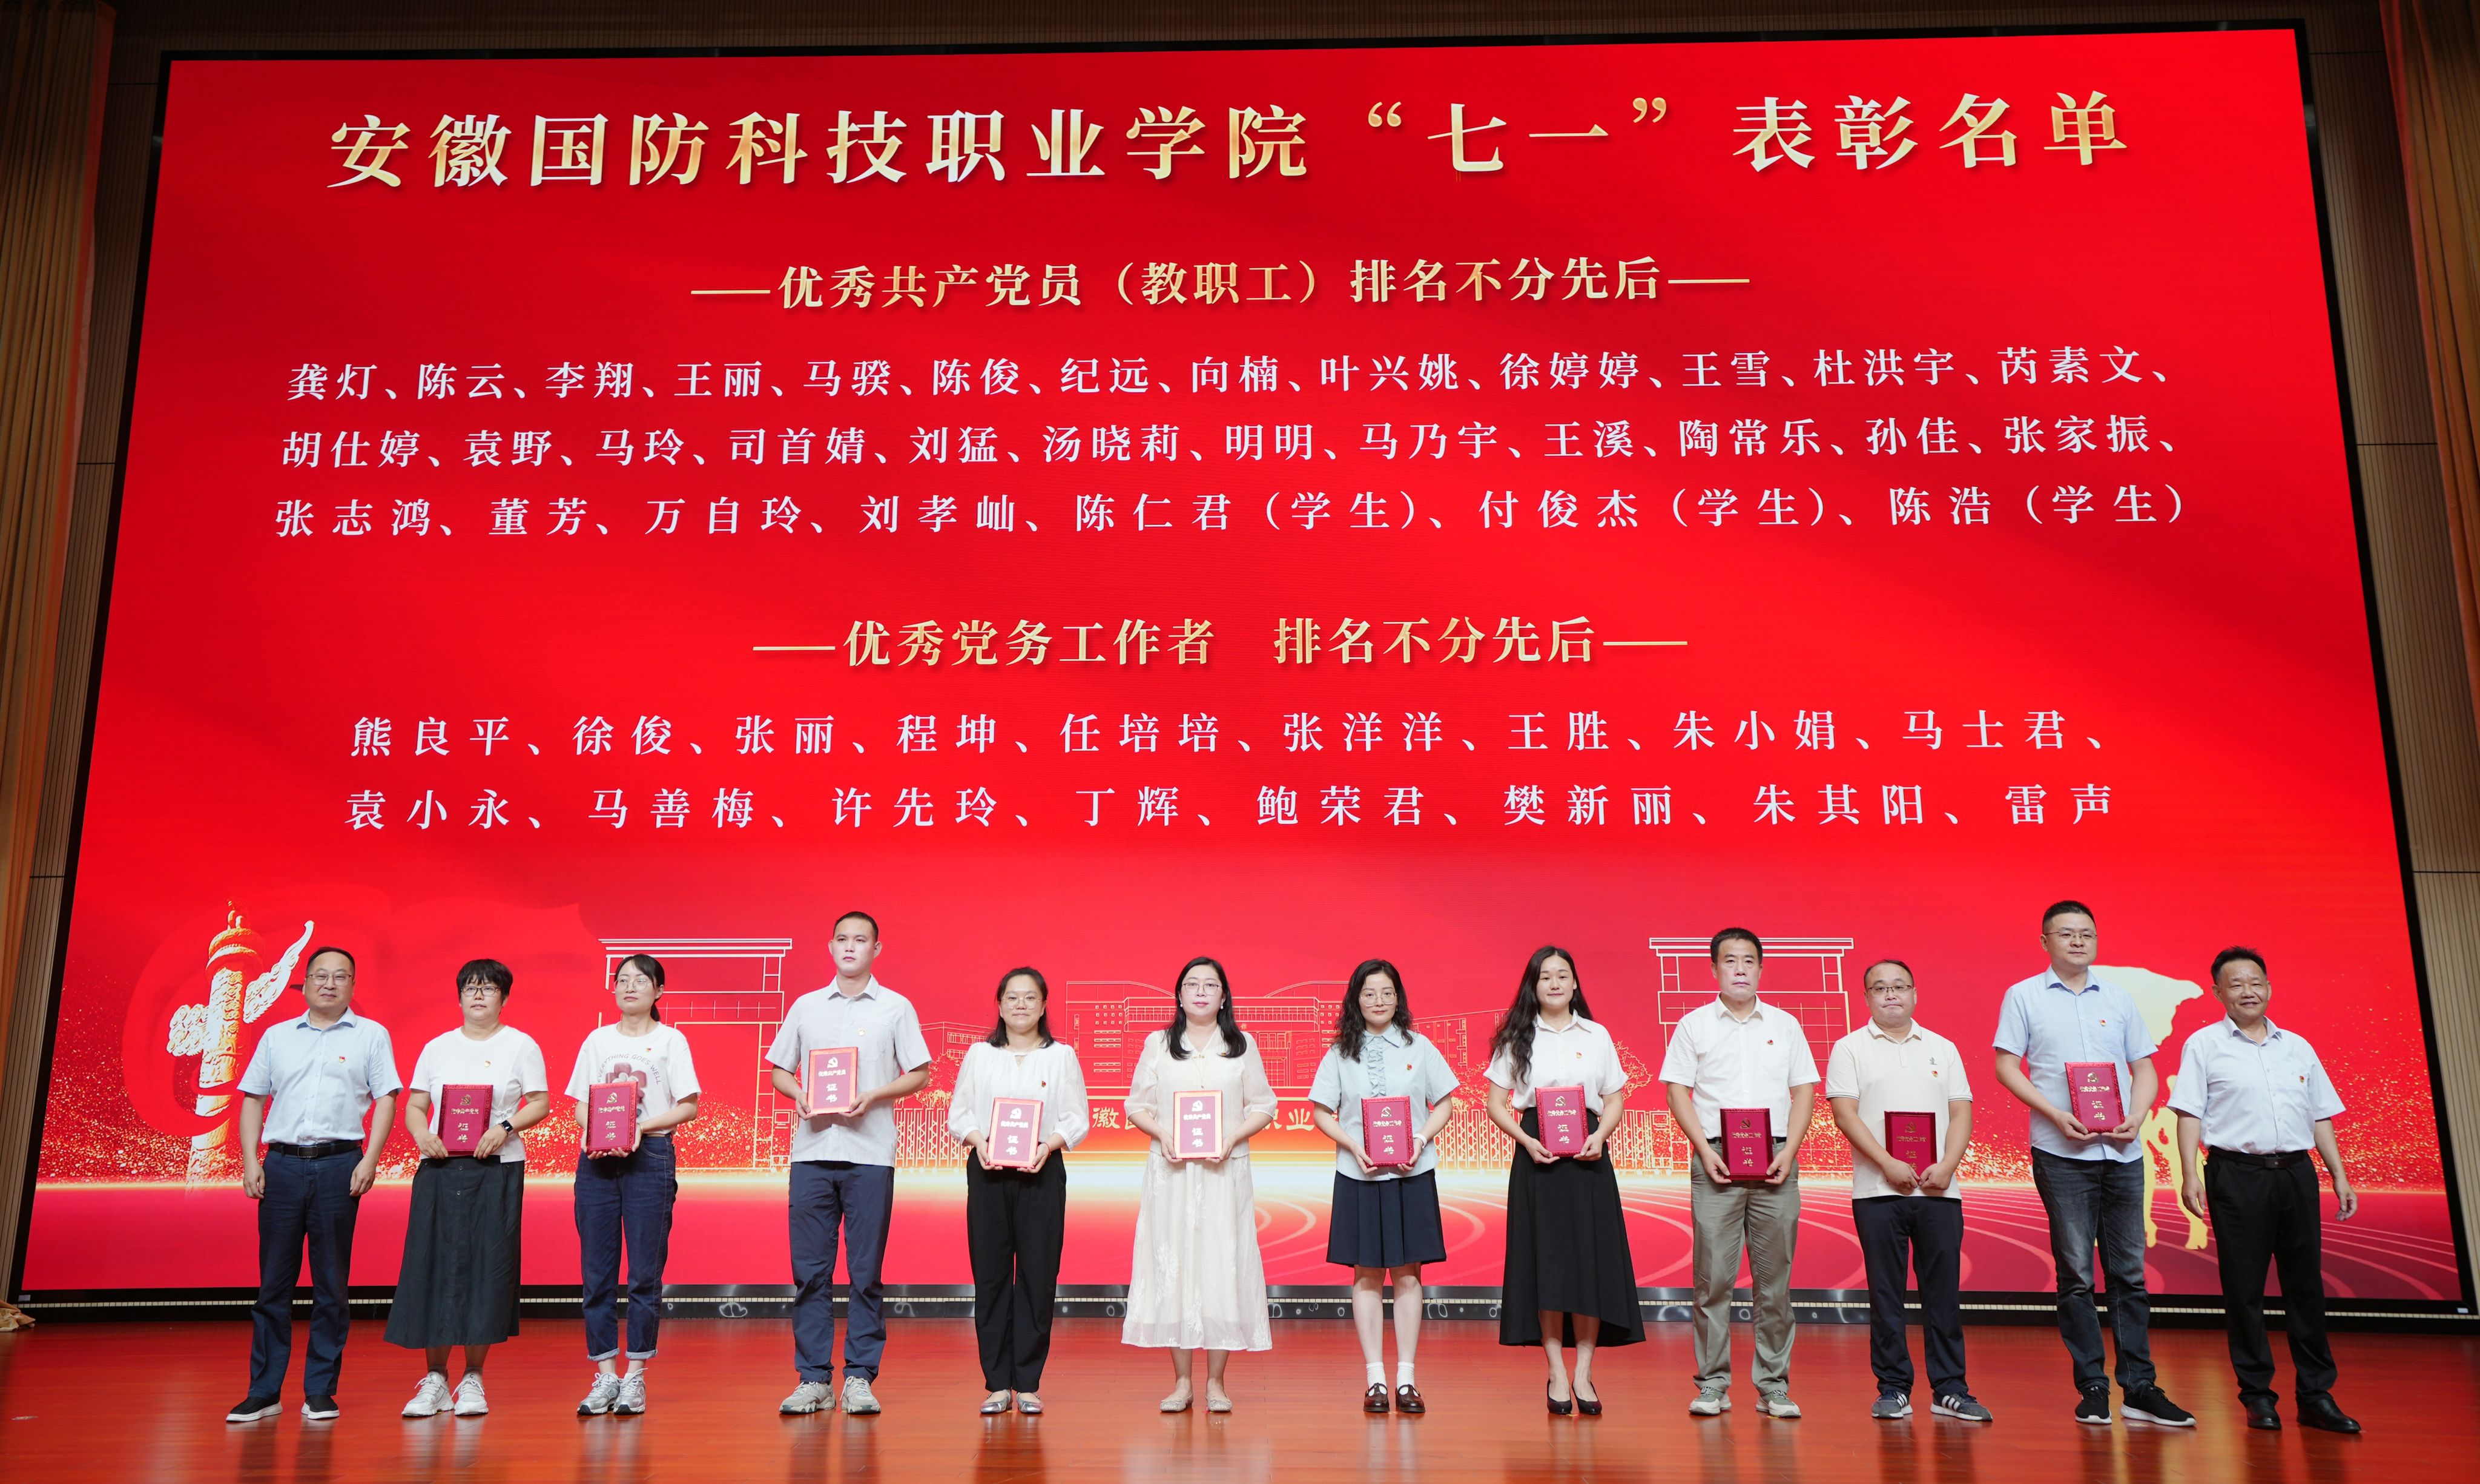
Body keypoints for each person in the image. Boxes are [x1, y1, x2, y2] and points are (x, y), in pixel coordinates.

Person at [1993, 900, 2194, 1427]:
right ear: (2045, 941)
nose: (2078, 941)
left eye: (2087, 932)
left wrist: (2138, 1115)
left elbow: (2144, 1067)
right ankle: (2093, 1386)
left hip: (2122, 1151)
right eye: (2066, 933)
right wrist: (2053, 1113)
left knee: (2129, 1274)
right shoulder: (2024, 995)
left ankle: (2140, 1387)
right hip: (2062, 1152)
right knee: (2077, 1274)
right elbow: (2006, 1066)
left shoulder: (2119, 996)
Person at [2171, 947, 2361, 1434]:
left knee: (2306, 1286)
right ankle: (2258, 1395)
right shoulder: (2204, 1045)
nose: (2248, 991)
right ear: (2218, 992)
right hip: (2237, 1174)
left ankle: (2316, 1395)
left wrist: (2338, 1173)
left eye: (2256, 981)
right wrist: (2190, 1174)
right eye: (2236, 984)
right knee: (2245, 1289)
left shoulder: (2296, 1046)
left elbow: (2320, 1115)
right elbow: (2189, 1112)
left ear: (2269, 987)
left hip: (2296, 1173)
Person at [767, 911, 932, 1416]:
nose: (850, 946)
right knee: (810, 1273)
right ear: (830, 946)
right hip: (813, 1153)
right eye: (842, 938)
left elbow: (920, 1072)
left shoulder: (896, 1007)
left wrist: (875, 1094)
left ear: (876, 949)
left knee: (865, 1272)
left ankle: (859, 1376)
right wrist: (799, 1093)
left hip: (869, 1155)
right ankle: (813, 1378)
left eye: (861, 940)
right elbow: (779, 1070)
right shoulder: (806, 1006)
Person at [225, 946, 400, 1423]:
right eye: (321, 975)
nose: (329, 983)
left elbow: (387, 1098)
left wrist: (369, 1160)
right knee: (273, 1285)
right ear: (304, 983)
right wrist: (251, 1160)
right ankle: (264, 1391)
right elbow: (253, 1098)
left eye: (341, 976)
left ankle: (320, 1390)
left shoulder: (371, 1035)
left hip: (339, 1164)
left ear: (352, 985)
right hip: (281, 1165)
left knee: (331, 1284)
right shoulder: (277, 1036)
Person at [1660, 928, 1819, 1419]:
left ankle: (1774, 1385)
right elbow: (1677, 1090)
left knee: (1775, 1283)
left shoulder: (1786, 1025)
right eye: (1730, 960)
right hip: (1716, 1157)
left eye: (1749, 960)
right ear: (1714, 969)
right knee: (1713, 1279)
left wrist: (1790, 1151)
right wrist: (1702, 1150)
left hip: (1776, 1158)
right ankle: (1713, 1382)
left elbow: (1804, 1090)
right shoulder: (1694, 1025)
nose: (1740, 969)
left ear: (1761, 968)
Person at [1824, 959, 1991, 1423]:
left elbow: (1961, 1112)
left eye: (1899, 986)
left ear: (1915, 993)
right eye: (1880, 988)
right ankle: (1893, 1386)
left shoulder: (1943, 1047)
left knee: (1943, 1293)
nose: (1891, 994)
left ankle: (1950, 1388)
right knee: (1886, 1293)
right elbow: (1845, 1114)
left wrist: (1949, 1165)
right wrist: (1887, 1163)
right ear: (1867, 998)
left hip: (1940, 1190)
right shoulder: (1849, 1047)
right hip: (1877, 1190)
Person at [389, 958, 552, 1419]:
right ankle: (435, 1379)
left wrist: (504, 1127)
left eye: (489, 988)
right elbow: (416, 1105)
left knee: (488, 1268)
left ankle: (474, 1378)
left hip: (496, 1168)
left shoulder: (520, 1045)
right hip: (440, 1167)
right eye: (470, 988)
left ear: (504, 997)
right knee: (434, 1266)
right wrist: (422, 1135)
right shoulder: (437, 1047)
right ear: (459, 996)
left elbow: (540, 1102)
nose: (479, 995)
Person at [1486, 945, 1643, 1417]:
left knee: (1589, 1262)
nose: (1554, 983)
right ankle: (1556, 1369)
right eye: (1545, 976)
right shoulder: (1517, 1036)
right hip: (1537, 1152)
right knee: (1546, 1262)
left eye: (1562, 975)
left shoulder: (1597, 1035)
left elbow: (1614, 1099)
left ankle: (1584, 1372)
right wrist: (1526, 1140)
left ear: (1575, 983)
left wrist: (1600, 1135)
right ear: (1533, 985)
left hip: (1590, 1153)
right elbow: (1496, 1103)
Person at [1123, 955, 1278, 1413]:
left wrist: (1232, 1137)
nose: (1201, 991)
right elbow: (1136, 1106)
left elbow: (1264, 1106)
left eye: (1211, 985)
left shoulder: (1241, 1045)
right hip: (1171, 1172)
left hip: (1224, 1171)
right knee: (1175, 1267)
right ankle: (1181, 1382)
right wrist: (1163, 1134)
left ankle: (1216, 1383)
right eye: (1192, 984)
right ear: (1179, 995)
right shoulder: (1158, 1044)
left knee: (1221, 1266)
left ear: (1224, 996)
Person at [1307, 959, 1459, 1415]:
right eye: (1369, 993)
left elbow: (1444, 1103)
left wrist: (1420, 1139)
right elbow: (1321, 1111)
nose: (1379, 1001)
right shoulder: (1340, 1052)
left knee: (1409, 1274)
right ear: (1356, 999)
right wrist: (1352, 1145)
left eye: (1387, 993)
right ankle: (1375, 1378)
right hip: (1360, 1174)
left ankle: (1406, 1379)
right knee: (1367, 1274)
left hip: (1412, 1173)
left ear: (1399, 998)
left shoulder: (1420, 1046)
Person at [949, 967, 1089, 1416]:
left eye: (1030, 997)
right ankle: (996, 1384)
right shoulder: (980, 1054)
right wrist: (979, 1141)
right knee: (991, 1277)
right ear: (1000, 1004)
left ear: (1044, 1005)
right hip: (988, 1171)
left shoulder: (1061, 1056)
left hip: (1042, 1171)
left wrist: (1049, 1145)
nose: (1021, 1005)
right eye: (1012, 997)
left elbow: (1077, 1118)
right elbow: (959, 1114)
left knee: (1037, 1276)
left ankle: (1027, 1382)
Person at [567, 953, 701, 1417]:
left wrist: (637, 1128)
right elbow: (581, 1104)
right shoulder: (597, 1040)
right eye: (622, 979)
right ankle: (605, 1374)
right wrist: (594, 1134)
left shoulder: (671, 1040)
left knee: (645, 1273)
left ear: (658, 990)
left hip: (651, 1157)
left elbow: (689, 1106)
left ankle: (636, 1375)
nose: (629, 986)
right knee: (596, 1273)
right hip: (597, 1162)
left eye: (640, 980)